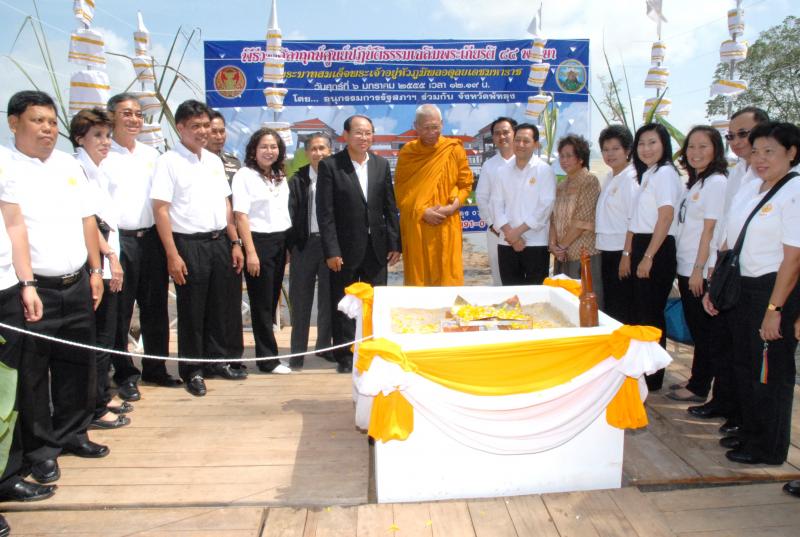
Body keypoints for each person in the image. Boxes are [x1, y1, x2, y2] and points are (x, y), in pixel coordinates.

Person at [5, 90, 109, 486]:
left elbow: (87, 219)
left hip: (77, 281)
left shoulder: (68, 165)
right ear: (14, 123)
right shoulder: (7, 166)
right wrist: (27, 283)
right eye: (38, 121)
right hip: (34, 288)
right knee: (33, 373)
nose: (47, 129)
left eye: (51, 122)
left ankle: (72, 433)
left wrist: (95, 270)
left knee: (76, 363)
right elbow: (14, 227)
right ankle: (41, 451)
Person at [703, 122, 800, 466]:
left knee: (769, 372)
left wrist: (775, 309)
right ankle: (750, 430)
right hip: (741, 287)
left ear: (791, 152)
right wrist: (716, 287)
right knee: (745, 364)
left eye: (769, 151)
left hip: (772, 290)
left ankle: (768, 447)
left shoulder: (794, 190)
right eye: (756, 151)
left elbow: (793, 258)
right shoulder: (753, 189)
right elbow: (730, 240)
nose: (760, 159)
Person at [150, 100, 245, 397]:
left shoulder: (214, 161)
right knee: (192, 310)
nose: (203, 131)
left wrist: (235, 241)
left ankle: (217, 362)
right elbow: (160, 209)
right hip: (189, 244)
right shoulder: (168, 161)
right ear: (180, 128)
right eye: (196, 126)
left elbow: (226, 203)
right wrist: (172, 254)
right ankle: (192, 370)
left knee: (220, 305)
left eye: (206, 125)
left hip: (220, 241)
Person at [687, 107, 769, 429]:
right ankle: (723, 403)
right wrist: (714, 265)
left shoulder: (771, 176)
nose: (736, 141)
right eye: (731, 135)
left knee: (746, 352)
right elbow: (725, 225)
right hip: (726, 267)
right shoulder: (740, 173)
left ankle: (742, 419)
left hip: (755, 274)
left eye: (743, 134)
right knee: (725, 343)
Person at [103, 93, 178, 399]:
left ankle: (156, 368)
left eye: (138, 114)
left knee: (156, 307)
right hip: (118, 241)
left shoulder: (152, 155)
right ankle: (124, 373)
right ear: (111, 116)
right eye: (127, 113)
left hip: (151, 240)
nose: (134, 119)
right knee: (120, 312)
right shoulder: (103, 153)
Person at [316, 115, 401, 373]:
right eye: (358, 132)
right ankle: (345, 355)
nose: (364, 137)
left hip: (377, 248)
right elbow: (325, 213)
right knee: (345, 302)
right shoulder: (331, 166)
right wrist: (331, 250)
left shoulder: (380, 165)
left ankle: (374, 350)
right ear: (346, 135)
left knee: (376, 301)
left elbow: (389, 207)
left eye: (368, 133)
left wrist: (395, 243)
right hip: (344, 250)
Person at [0, 144, 54, 516]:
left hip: (6, 286)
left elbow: (13, 221)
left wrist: (27, 283)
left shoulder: (2, 159)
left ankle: (7, 473)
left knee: (8, 390)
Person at [70, 109, 131, 429]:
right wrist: (110, 256)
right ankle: (94, 406)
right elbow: (88, 220)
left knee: (106, 336)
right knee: (96, 339)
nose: (105, 141)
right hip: (95, 263)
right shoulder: (76, 170)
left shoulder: (101, 170)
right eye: (97, 135)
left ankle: (101, 395)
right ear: (79, 138)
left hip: (108, 259)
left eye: (107, 135)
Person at [666, 126, 728, 403]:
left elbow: (709, 230)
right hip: (686, 264)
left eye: (703, 146)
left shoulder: (716, 183)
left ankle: (700, 387)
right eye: (691, 146)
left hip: (698, 268)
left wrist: (699, 269)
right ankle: (696, 379)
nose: (696, 152)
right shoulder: (696, 183)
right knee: (697, 328)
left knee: (704, 332)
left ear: (716, 149)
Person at [622, 123, 682, 391]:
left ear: (664, 145)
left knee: (651, 314)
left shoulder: (666, 173)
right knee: (641, 312)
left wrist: (648, 256)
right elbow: (636, 220)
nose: (646, 149)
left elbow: (665, 217)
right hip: (643, 244)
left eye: (652, 142)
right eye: (642, 144)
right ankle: (644, 369)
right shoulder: (649, 174)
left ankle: (654, 376)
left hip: (657, 247)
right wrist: (629, 253)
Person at [232, 128, 292, 374]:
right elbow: (241, 216)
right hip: (258, 242)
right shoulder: (244, 175)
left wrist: (286, 247)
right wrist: (251, 252)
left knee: (272, 298)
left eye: (274, 147)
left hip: (280, 241)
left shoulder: (279, 175)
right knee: (262, 304)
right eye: (264, 147)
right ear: (253, 150)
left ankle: (271, 355)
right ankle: (267, 360)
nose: (269, 151)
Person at [394, 104, 473, 286]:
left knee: (448, 274)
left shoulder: (453, 149)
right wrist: (422, 212)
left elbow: (465, 185)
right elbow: (400, 192)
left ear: (442, 124)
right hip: (418, 226)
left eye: (435, 127)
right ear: (416, 126)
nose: (431, 133)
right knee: (420, 279)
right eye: (426, 128)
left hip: (447, 223)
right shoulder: (408, 153)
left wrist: (452, 207)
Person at [287, 133, 334, 369]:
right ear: (306, 153)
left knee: (329, 298)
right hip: (304, 246)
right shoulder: (298, 180)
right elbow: (290, 215)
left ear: (330, 151)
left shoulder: (337, 176)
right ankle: (297, 353)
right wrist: (290, 247)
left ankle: (324, 346)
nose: (318, 153)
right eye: (313, 149)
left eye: (322, 148)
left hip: (330, 246)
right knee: (301, 300)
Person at [206, 109, 246, 379]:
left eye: (222, 131)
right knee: (207, 303)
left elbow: (238, 205)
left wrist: (238, 242)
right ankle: (209, 359)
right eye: (213, 131)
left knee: (230, 300)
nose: (218, 136)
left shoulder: (233, 163)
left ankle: (232, 357)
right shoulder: (191, 163)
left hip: (232, 239)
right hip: (202, 238)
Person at [490, 123, 556, 285]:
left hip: (536, 243)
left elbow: (545, 206)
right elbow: (495, 205)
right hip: (506, 243)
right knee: (511, 293)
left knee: (536, 294)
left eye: (526, 141)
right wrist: (511, 235)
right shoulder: (502, 172)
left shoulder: (544, 170)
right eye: (517, 140)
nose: (520, 144)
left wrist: (517, 233)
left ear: (536, 144)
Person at [550, 135, 603, 304]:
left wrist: (561, 246)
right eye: (561, 156)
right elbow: (553, 218)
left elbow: (582, 219)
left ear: (580, 158)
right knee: (565, 302)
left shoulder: (589, 181)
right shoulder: (561, 185)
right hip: (562, 254)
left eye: (569, 156)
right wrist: (553, 245)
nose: (564, 160)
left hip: (584, 253)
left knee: (586, 301)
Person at [595, 125, 638, 324]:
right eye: (605, 149)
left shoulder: (631, 178)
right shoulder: (610, 176)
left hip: (622, 252)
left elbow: (633, 221)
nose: (610, 154)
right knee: (612, 305)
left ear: (627, 150)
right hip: (608, 250)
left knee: (622, 308)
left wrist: (626, 255)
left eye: (615, 148)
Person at [476, 117, 517, 286]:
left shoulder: (528, 163)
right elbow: (481, 197)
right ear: (493, 138)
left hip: (525, 231)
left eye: (506, 132)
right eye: (497, 133)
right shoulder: (489, 166)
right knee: (500, 278)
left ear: (514, 133)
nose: (502, 136)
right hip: (497, 232)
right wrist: (493, 225)